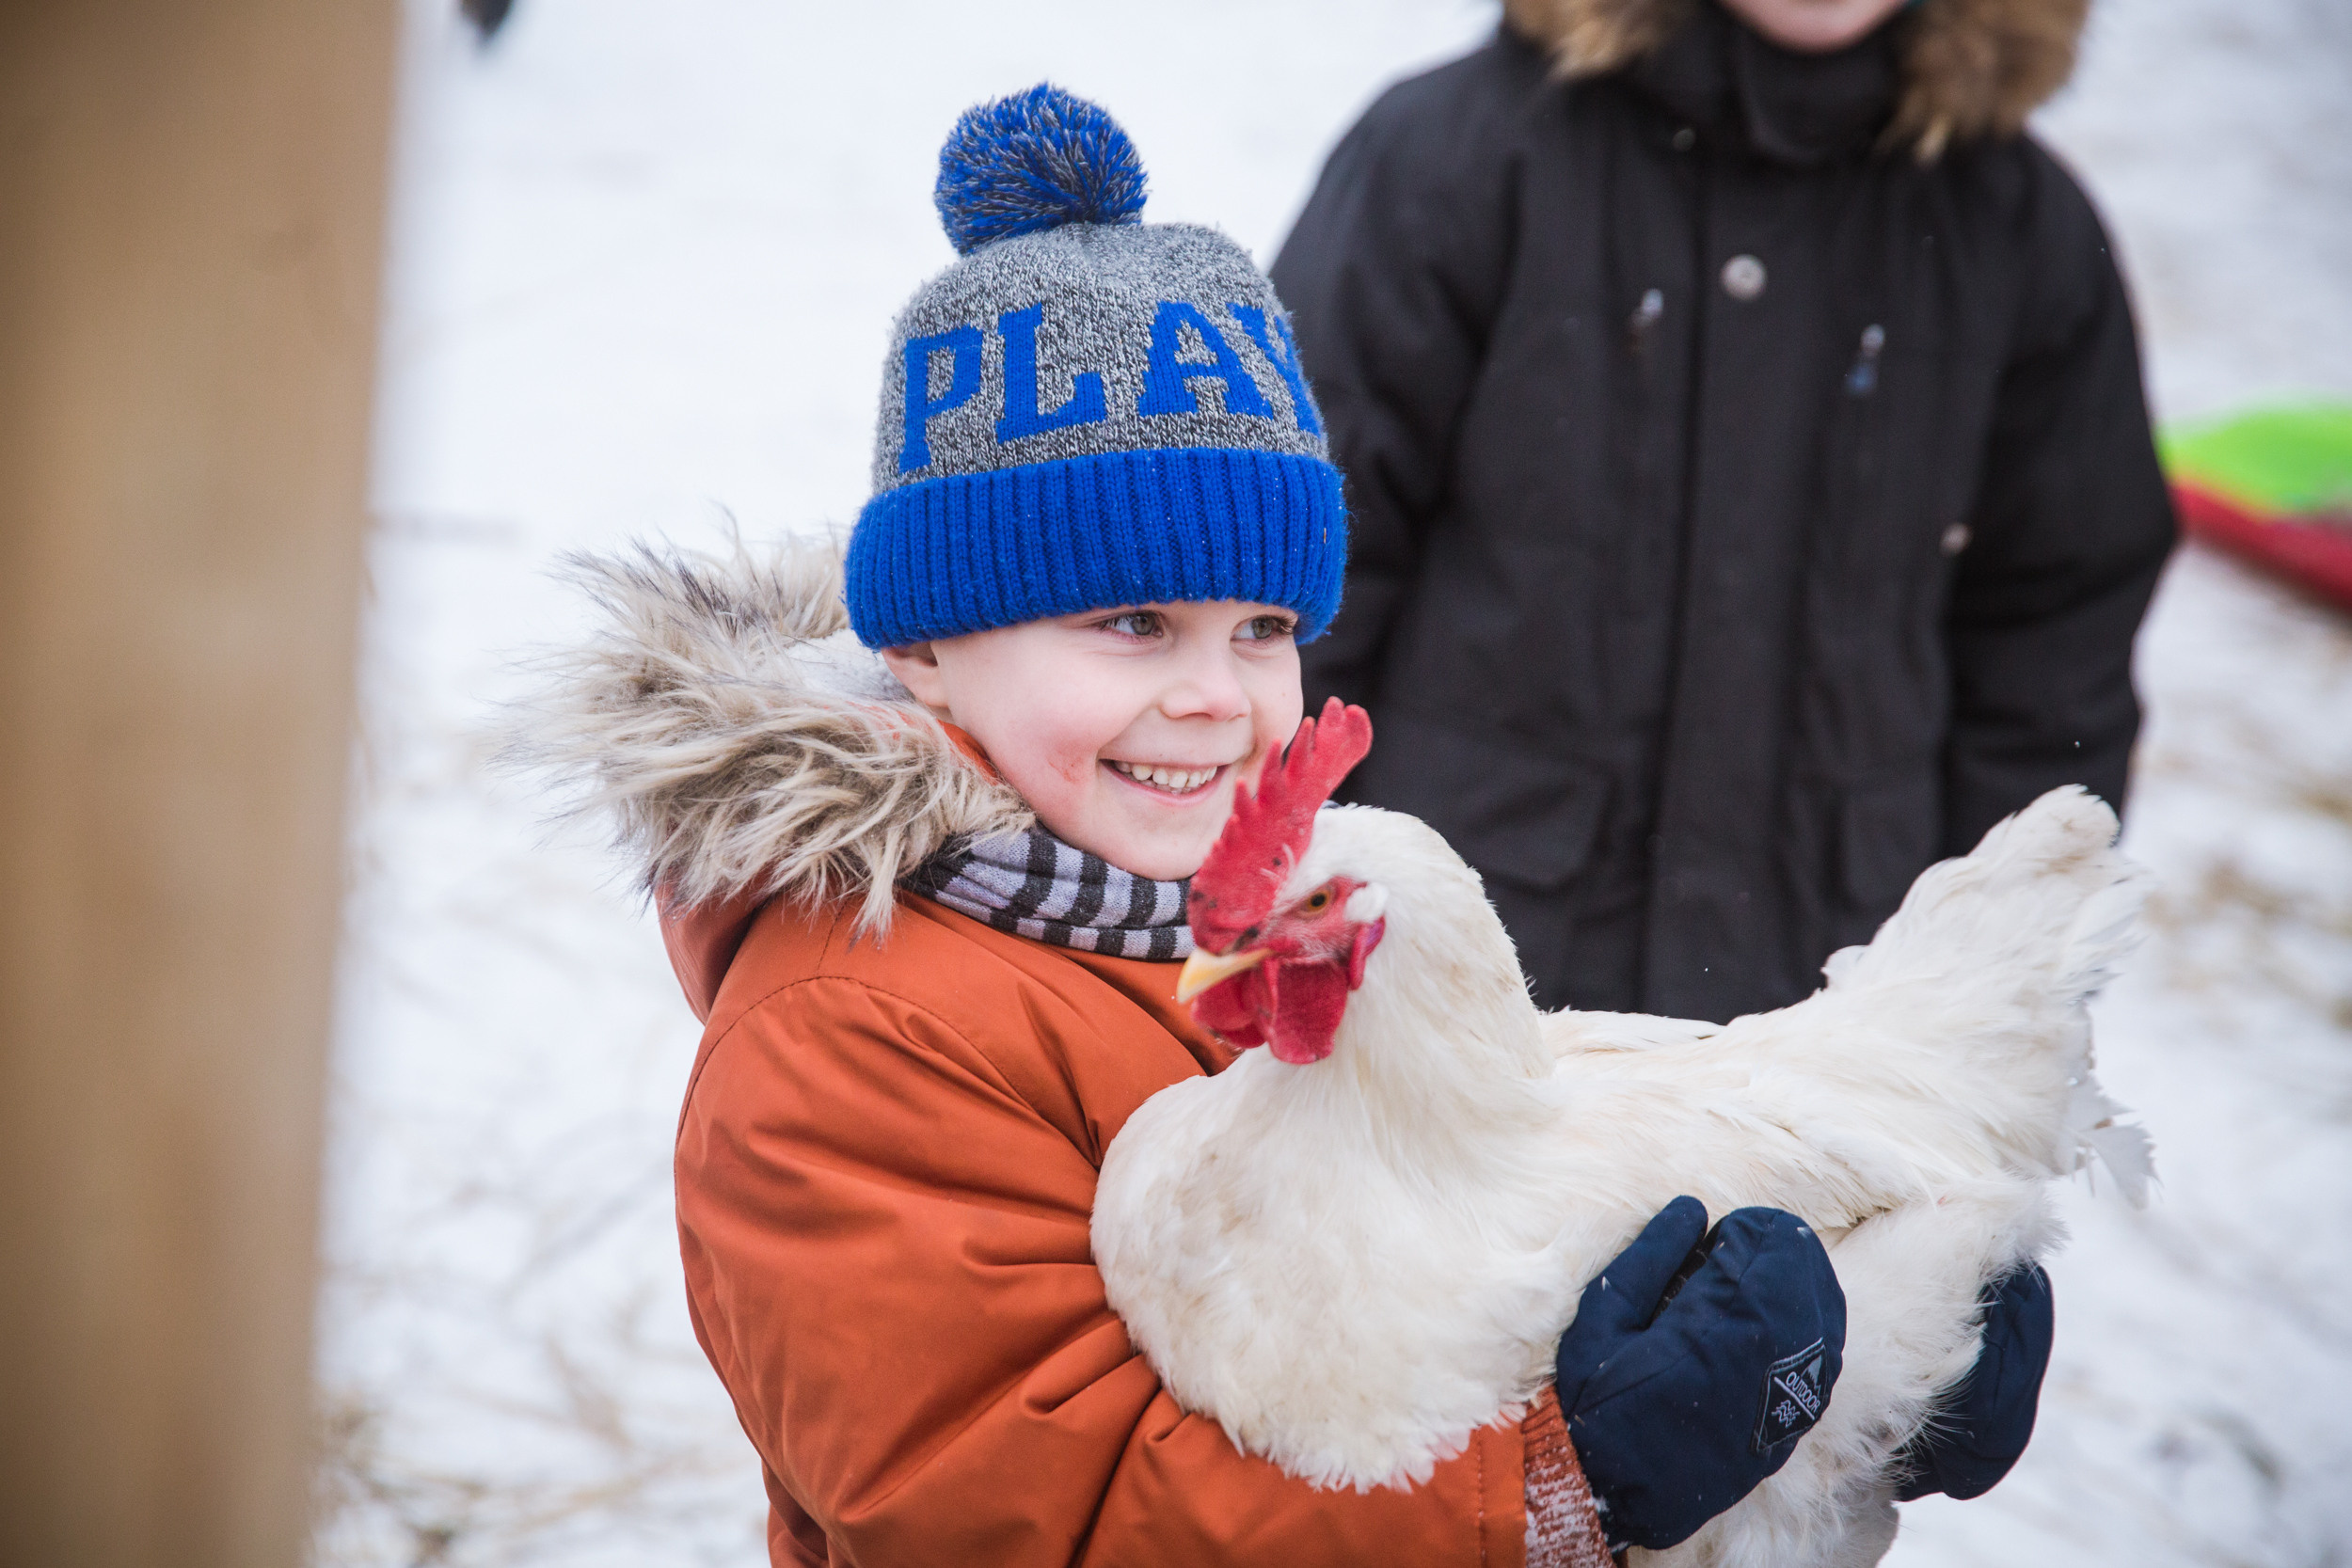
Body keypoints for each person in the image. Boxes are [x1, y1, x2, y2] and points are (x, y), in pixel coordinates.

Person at [534, 86, 1860, 1566]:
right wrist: (1553, 1489)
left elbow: (1448, 1289)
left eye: (1264, 627)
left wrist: (1871, 1379)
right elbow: (1043, 1517)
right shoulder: (847, 1036)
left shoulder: (1230, 918)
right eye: (1132, 622)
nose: (1217, 697)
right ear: (924, 647)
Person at [1271, 0, 2178, 1026]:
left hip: (1836, 1019)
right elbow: (1291, 578)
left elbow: (2055, 655)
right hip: (1460, 992)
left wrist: (1991, 985)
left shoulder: (2022, 234)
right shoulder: (1453, 159)